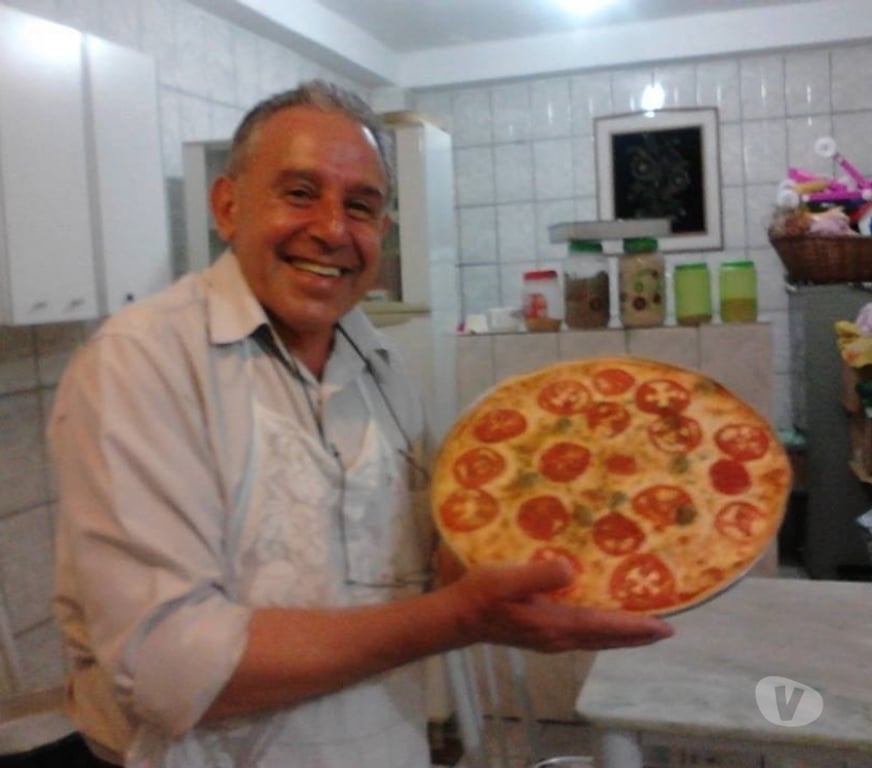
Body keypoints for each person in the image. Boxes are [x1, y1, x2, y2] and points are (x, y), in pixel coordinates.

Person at [49, 80, 673, 768]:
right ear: (228, 206)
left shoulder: (378, 358)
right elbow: (170, 670)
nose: (332, 229)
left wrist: (582, 507)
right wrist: (460, 617)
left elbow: (430, 556)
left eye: (361, 206)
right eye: (299, 192)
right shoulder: (143, 364)